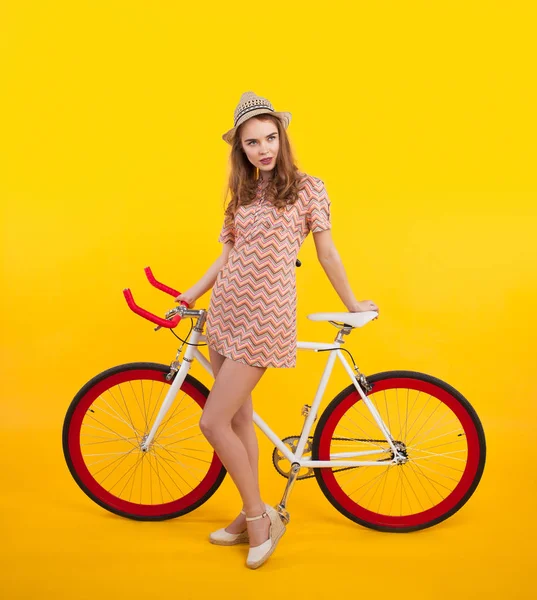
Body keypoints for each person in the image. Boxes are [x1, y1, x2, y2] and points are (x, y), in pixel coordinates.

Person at [174, 91, 380, 569]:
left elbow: (327, 252)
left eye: (270, 138)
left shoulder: (309, 188)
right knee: (238, 421)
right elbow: (225, 257)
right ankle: (251, 518)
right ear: (240, 149)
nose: (263, 148)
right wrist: (191, 293)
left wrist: (352, 302)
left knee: (211, 421)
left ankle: (260, 517)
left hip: (266, 316)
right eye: (252, 142)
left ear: (282, 139)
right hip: (226, 309)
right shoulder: (241, 194)